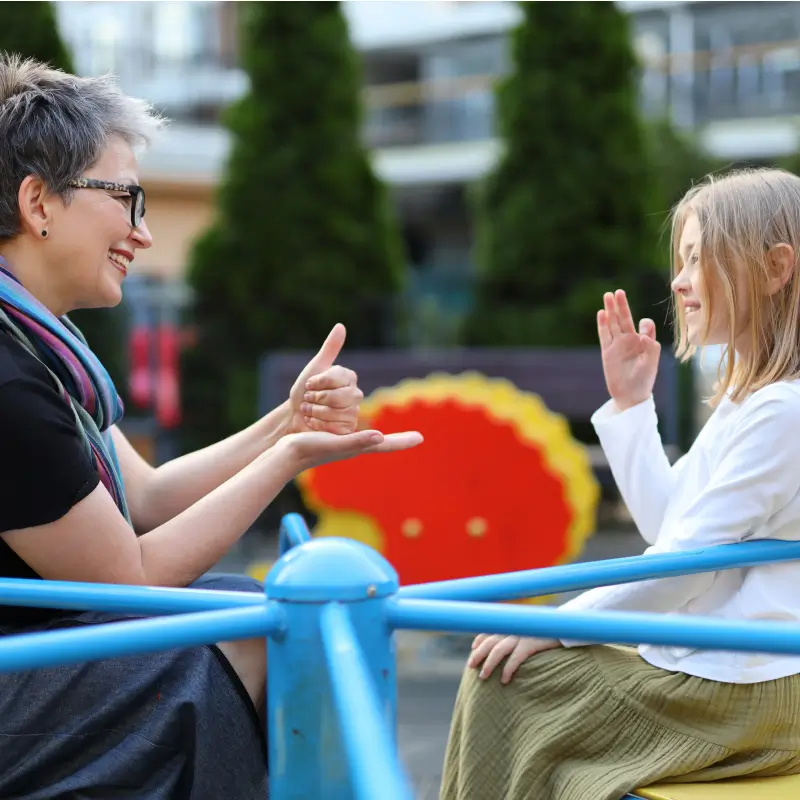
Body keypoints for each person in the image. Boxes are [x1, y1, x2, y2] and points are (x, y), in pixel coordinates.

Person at [0, 55, 422, 799]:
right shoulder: (11, 377)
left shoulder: (36, 347)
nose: (143, 234)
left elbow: (148, 497)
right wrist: (287, 457)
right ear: (38, 204)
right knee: (260, 623)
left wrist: (284, 424)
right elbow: (130, 579)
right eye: (126, 199)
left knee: (240, 604)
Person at [439, 168, 800, 800]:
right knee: (512, 667)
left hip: (751, 687)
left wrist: (556, 625)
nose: (678, 281)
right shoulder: (756, 401)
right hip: (735, 671)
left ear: (775, 269)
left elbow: (682, 568)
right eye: (682, 260)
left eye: (698, 258)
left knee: (503, 677)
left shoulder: (781, 411)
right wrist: (632, 406)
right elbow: (670, 529)